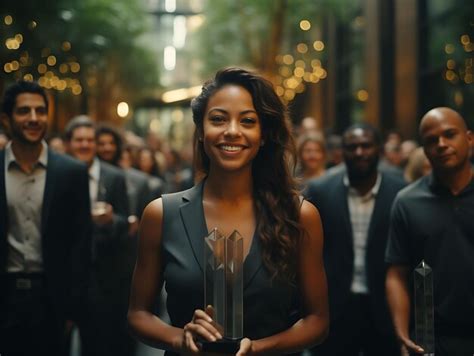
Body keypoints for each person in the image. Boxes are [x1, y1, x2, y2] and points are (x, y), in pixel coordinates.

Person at [128, 68, 329, 355]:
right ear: (201, 132)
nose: (232, 131)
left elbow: (318, 321)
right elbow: (138, 315)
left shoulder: (300, 216)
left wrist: (258, 348)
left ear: (262, 136)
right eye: (218, 119)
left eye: (247, 121)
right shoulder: (161, 214)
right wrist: (179, 338)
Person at [0, 80, 91, 356]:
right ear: (6, 118)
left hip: (51, 300)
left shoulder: (71, 173)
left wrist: (73, 307)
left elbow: (81, 242)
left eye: (40, 111)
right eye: (24, 111)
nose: (34, 118)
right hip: (5, 295)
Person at [305, 123, 405, 356]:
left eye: (366, 146)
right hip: (336, 307)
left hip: (384, 308)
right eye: (352, 147)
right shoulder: (320, 190)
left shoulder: (400, 191)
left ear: (378, 150)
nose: (359, 152)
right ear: (341, 152)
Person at [385, 107, 474, 356]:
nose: (442, 144)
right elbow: (397, 272)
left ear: (469, 138)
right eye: (432, 140)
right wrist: (402, 334)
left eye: (449, 134)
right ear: (424, 151)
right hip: (432, 338)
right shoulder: (408, 201)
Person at [64, 116, 134, 356]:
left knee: (98, 345)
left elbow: (125, 222)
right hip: (63, 276)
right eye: (79, 140)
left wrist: (111, 220)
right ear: (69, 143)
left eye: (89, 140)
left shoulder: (113, 176)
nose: (85, 145)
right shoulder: (57, 173)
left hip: (101, 279)